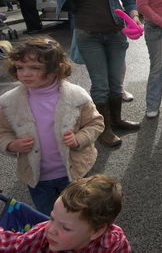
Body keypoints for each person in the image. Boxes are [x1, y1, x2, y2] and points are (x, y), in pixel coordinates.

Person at [26, 0, 141, 148]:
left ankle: (116, 120)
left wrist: (134, 16)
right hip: (88, 36)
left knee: (116, 83)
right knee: (100, 85)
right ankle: (103, 128)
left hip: (116, 34)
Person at [0, 37, 104, 215]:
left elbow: (96, 123)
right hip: (38, 178)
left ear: (56, 69)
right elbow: (3, 132)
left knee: (81, 214)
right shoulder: (9, 102)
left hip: (75, 171)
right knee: (50, 217)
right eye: (19, 67)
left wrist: (79, 138)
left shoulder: (76, 96)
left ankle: (85, 241)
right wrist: (10, 144)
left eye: (35, 68)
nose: (25, 73)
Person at [0, 174, 131, 252]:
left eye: (66, 228)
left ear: (96, 231)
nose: (50, 229)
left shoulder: (114, 244)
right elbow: (13, 245)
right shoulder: (42, 234)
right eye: (52, 218)